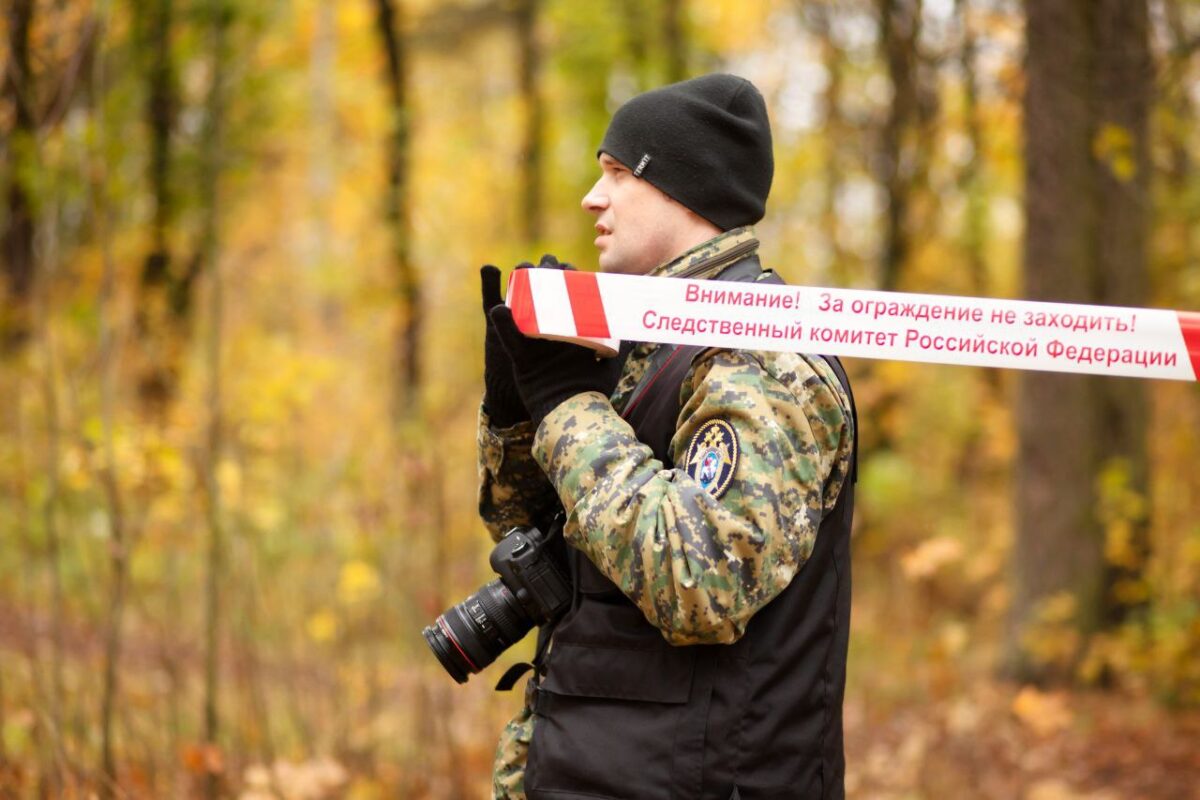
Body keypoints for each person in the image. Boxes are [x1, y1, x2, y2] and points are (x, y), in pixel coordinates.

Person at [476, 73, 857, 800]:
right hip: (591, 768)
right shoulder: (642, 340)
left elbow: (700, 580)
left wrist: (564, 404)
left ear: (684, 189)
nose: (595, 198)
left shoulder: (762, 357)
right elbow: (531, 537)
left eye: (618, 174)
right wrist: (515, 411)